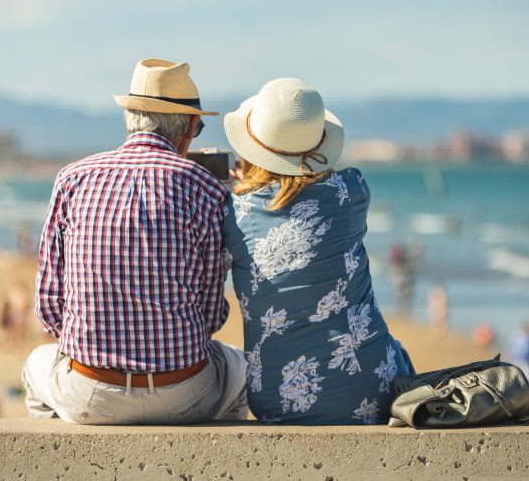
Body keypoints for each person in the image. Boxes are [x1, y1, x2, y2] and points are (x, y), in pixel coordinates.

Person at [22, 59, 247, 424]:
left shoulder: (72, 178)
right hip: (183, 393)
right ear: (189, 127)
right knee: (239, 369)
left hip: (90, 394)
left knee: (35, 365)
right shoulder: (205, 188)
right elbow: (211, 316)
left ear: (129, 117)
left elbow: (49, 310)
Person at [222, 78, 414, 424]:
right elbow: (301, 194)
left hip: (278, 399)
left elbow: (265, 208)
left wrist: (240, 185)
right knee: (396, 351)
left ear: (253, 147)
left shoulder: (233, 212)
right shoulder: (352, 191)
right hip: (372, 387)